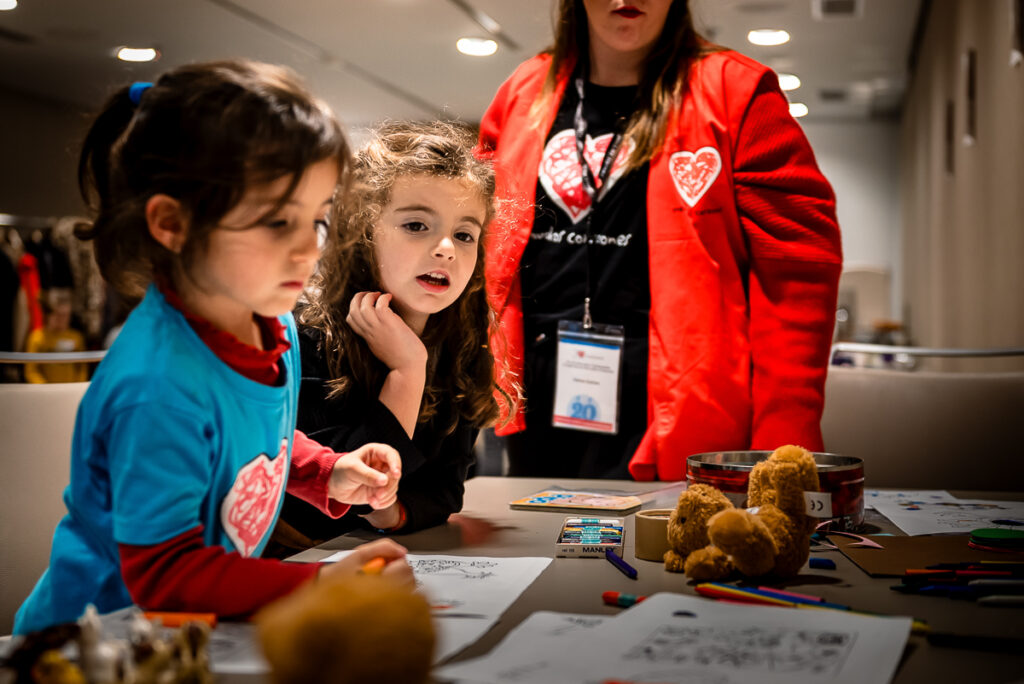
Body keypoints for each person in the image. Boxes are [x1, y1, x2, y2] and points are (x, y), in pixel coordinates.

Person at [14, 59, 414, 635]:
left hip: (186, 634)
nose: (308, 250)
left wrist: (326, 471)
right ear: (172, 224)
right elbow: (165, 574)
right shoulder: (157, 386)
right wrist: (321, 585)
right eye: (277, 222)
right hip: (89, 646)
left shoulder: (269, 328)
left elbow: (250, 443)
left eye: (318, 222)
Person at [478, 0, 843, 480]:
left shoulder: (737, 91)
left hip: (681, 408)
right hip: (536, 396)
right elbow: (478, 241)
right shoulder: (524, 92)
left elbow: (797, 273)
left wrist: (785, 427)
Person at [274, 121, 515, 546]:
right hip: (297, 562)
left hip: (388, 560)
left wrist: (389, 512)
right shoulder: (303, 337)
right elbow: (351, 485)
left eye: (464, 234)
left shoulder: (462, 344)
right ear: (365, 233)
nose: (446, 248)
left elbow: (444, 492)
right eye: (416, 226)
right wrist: (407, 370)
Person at [24, 289, 89, 383]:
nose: (63, 319)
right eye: (59, 315)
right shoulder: (37, 338)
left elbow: (82, 368)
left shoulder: (76, 337)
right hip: (46, 392)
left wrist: (76, 386)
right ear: (49, 314)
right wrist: (46, 388)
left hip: (71, 390)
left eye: (66, 315)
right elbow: (31, 370)